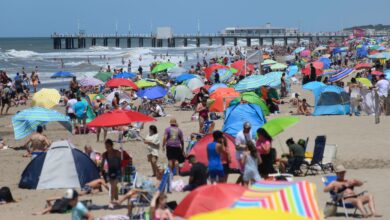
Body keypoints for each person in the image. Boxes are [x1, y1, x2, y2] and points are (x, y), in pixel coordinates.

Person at [101, 139, 122, 203]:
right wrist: (101, 172)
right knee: (114, 186)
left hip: (118, 171)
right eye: (106, 147)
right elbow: (102, 164)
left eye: (108, 146)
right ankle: (116, 200)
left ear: (112, 146)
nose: (107, 148)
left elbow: (123, 162)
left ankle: (111, 201)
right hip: (110, 171)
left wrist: (123, 170)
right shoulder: (105, 154)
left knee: (113, 186)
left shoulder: (117, 153)